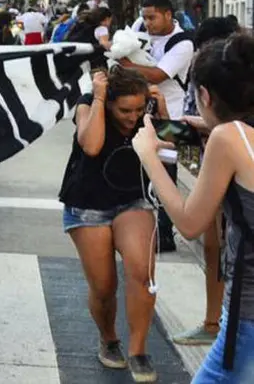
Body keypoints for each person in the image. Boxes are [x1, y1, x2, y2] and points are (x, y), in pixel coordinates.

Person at [133, 34, 254, 382]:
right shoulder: (235, 134)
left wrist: (148, 156)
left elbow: (189, 222)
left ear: (204, 95)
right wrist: (202, 128)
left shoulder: (228, 137)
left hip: (247, 316)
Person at [59, 66, 169, 383]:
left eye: (138, 109)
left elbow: (173, 147)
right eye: (124, 110)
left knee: (141, 270)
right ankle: (109, 338)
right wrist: (99, 97)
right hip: (87, 204)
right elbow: (90, 145)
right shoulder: (88, 103)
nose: (132, 117)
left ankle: (138, 350)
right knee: (104, 287)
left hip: (132, 198)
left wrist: (159, 110)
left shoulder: (146, 110)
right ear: (109, 102)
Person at [172, 17, 237, 347]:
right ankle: (214, 321)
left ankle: (217, 322)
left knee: (222, 247)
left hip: (224, 175)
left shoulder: (213, 78)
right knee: (215, 247)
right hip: (213, 168)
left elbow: (186, 223)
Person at [120, 0, 196, 253]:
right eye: (145, 17)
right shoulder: (140, 29)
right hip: (144, 115)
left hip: (172, 120)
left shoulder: (183, 43)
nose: (147, 23)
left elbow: (159, 74)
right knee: (139, 173)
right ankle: (141, 229)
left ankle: (164, 235)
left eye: (152, 17)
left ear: (168, 14)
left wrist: (124, 63)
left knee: (166, 175)